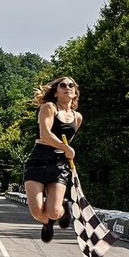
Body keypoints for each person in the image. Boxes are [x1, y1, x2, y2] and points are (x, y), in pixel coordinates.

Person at [23, 76, 82, 243]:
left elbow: (67, 141)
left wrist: (65, 150)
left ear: (75, 92)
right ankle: (47, 223)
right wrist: (66, 148)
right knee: (37, 212)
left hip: (59, 164)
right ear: (56, 92)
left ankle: (63, 208)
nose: (67, 87)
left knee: (54, 212)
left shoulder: (77, 117)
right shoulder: (49, 107)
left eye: (71, 85)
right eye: (62, 85)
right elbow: (45, 135)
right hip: (38, 160)